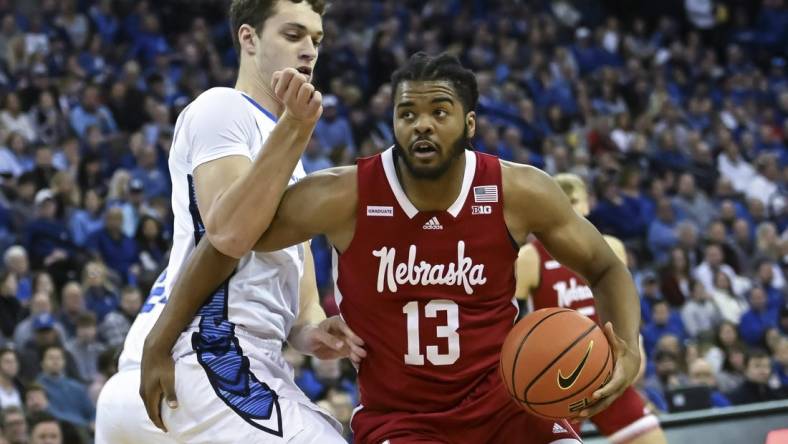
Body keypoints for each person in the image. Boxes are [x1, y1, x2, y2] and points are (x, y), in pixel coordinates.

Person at [145, 52, 643, 444]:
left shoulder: (519, 191)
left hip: (509, 407)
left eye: (439, 111)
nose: (421, 124)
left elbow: (604, 267)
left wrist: (628, 346)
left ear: (469, 124)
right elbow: (227, 242)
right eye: (407, 113)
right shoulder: (346, 195)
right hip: (403, 422)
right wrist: (159, 339)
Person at [103, 1, 357, 443]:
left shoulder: (287, 160)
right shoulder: (222, 108)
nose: (309, 52)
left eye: (316, 40)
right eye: (293, 35)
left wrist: (316, 333)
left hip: (194, 368)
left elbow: (301, 309)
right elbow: (229, 233)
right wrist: (297, 128)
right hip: (202, 359)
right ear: (249, 38)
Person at [515, 173, 666, 444]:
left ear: (586, 204)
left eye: (574, 200)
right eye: (560, 201)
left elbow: (624, 303)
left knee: (653, 439)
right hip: (554, 376)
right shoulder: (529, 257)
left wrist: (635, 343)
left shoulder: (612, 248)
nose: (568, 207)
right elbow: (510, 319)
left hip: (605, 369)